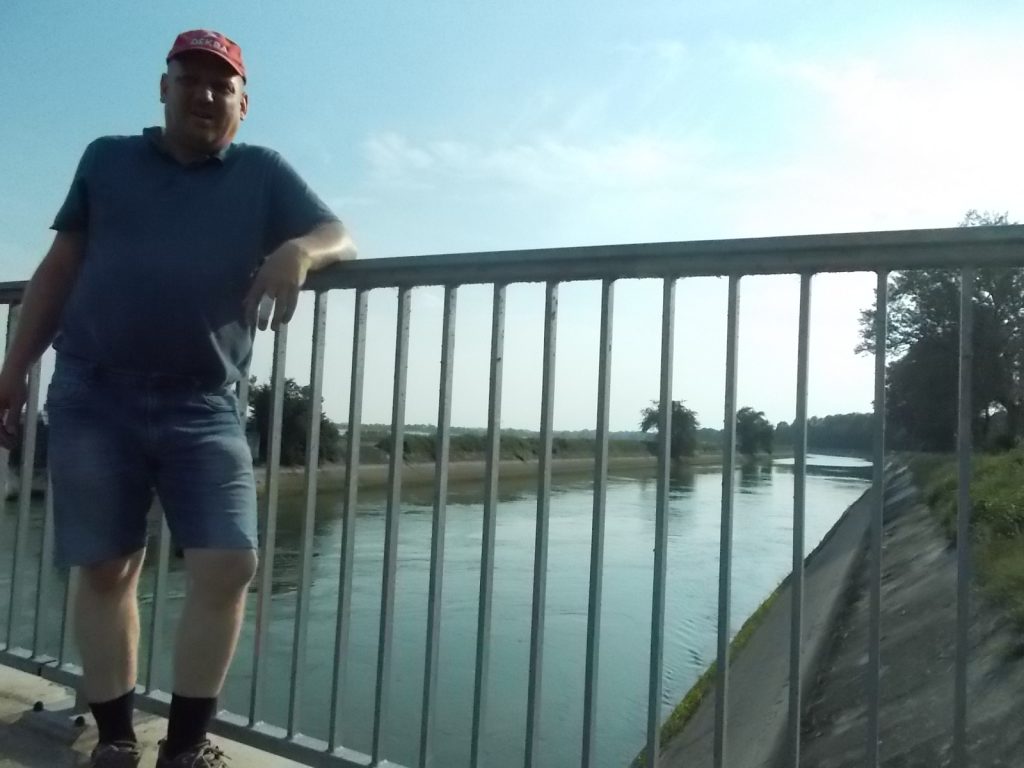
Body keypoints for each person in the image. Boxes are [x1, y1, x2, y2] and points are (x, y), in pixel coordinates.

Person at [0, 29, 356, 768]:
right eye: (189, 79)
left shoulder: (262, 173)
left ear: (243, 104)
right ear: (163, 89)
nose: (205, 94)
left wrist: (298, 250)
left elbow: (338, 233)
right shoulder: (106, 159)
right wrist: (13, 369)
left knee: (228, 564)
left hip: (205, 400)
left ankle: (186, 748)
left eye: (221, 85)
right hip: (94, 392)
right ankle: (116, 738)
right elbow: (60, 267)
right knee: (106, 567)